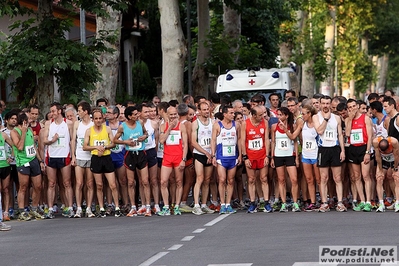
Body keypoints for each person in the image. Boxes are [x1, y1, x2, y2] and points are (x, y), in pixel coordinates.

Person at [83, 108, 121, 218]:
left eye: (100, 118)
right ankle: (102, 207)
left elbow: (113, 143)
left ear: (103, 118)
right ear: (93, 119)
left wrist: (104, 147)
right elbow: (85, 146)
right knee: (99, 185)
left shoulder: (107, 129)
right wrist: (96, 147)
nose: (98, 120)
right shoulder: (89, 131)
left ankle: (117, 207)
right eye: (96, 119)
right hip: (96, 158)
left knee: (112, 184)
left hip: (107, 157)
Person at [114, 106, 152, 217]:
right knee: (131, 182)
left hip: (140, 153)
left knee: (145, 181)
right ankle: (133, 207)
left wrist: (143, 137)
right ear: (129, 116)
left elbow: (146, 133)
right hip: (129, 154)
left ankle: (148, 207)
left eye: (137, 113)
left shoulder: (140, 123)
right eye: (134, 114)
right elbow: (115, 140)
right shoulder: (123, 127)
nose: (137, 115)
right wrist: (125, 142)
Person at [313, 96, 346, 212]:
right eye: (323, 103)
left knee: (337, 177)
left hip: (335, 148)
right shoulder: (316, 117)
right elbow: (319, 131)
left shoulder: (337, 118)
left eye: (328, 103)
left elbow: (340, 135)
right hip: (323, 149)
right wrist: (326, 119)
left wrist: (342, 150)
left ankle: (340, 202)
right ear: (320, 104)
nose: (326, 106)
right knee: (324, 178)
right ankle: (324, 202)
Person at [11, 113, 45, 221]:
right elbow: (20, 147)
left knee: (38, 186)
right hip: (23, 162)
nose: (31, 120)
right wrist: (24, 133)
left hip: (33, 160)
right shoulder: (15, 132)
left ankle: (34, 209)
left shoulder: (30, 130)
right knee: (23, 186)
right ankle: (22, 211)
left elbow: (33, 147)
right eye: (29, 119)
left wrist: (40, 161)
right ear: (24, 121)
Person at [42, 102, 74, 219]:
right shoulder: (48, 123)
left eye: (53, 111)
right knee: (51, 183)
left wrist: (73, 156)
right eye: (51, 111)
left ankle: (70, 207)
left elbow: (72, 140)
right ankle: (50, 208)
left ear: (59, 111)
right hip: (51, 156)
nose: (51, 114)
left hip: (64, 156)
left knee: (67, 183)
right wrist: (52, 140)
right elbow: (44, 140)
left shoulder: (68, 123)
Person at [157, 106, 188, 216]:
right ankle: (166, 206)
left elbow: (185, 144)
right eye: (171, 114)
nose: (173, 116)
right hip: (167, 157)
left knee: (179, 182)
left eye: (175, 114)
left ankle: (177, 206)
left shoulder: (182, 126)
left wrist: (183, 159)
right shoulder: (163, 126)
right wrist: (169, 128)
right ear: (167, 115)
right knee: (163, 181)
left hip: (178, 157)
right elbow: (161, 140)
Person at [211, 105, 242, 214]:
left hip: (232, 157)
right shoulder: (217, 125)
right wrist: (213, 155)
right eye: (231, 113)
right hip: (221, 156)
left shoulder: (236, 125)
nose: (233, 115)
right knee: (222, 180)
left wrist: (240, 155)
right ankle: (222, 204)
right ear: (224, 114)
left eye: (234, 113)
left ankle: (228, 204)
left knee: (231, 180)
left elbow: (239, 140)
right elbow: (213, 140)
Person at [241, 105, 272, 213]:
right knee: (251, 179)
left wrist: (267, 155)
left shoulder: (265, 123)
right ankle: (253, 202)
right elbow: (242, 141)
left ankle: (266, 202)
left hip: (262, 155)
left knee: (264, 178)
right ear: (253, 115)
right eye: (260, 115)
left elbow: (266, 139)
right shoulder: (245, 123)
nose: (262, 116)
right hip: (250, 155)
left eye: (263, 114)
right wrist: (245, 157)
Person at [345, 99, 374, 212]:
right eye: (350, 107)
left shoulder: (365, 118)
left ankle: (368, 201)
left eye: (354, 106)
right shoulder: (348, 119)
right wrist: (350, 119)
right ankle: (361, 200)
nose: (352, 108)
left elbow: (370, 136)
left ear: (357, 106)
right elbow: (347, 134)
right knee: (356, 176)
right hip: (353, 148)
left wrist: (367, 152)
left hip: (363, 148)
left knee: (365, 175)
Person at [270, 107, 300, 212]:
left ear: (286, 116)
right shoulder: (274, 127)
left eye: (281, 115)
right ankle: (283, 203)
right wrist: (272, 157)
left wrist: (296, 157)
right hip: (278, 155)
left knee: (294, 179)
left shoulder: (292, 126)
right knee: (281, 180)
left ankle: (295, 202)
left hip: (289, 155)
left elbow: (294, 140)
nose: (279, 117)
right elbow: (273, 142)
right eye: (278, 115)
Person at [71, 101, 95, 218]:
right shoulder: (77, 124)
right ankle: (79, 208)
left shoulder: (93, 124)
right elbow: (73, 140)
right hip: (79, 155)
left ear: (86, 111)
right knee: (79, 183)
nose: (78, 113)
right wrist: (73, 156)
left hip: (90, 156)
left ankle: (89, 207)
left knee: (90, 183)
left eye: (80, 110)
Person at [191, 102, 215, 215]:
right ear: (199, 111)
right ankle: (196, 204)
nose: (206, 111)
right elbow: (193, 142)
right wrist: (205, 152)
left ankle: (204, 204)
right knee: (200, 178)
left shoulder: (213, 122)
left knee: (207, 180)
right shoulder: (195, 123)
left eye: (207, 109)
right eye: (204, 110)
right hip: (200, 153)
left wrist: (212, 154)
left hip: (210, 154)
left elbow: (215, 139)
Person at [373, 137, 399, 212]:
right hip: (383, 160)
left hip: (394, 159)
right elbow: (377, 156)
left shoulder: (394, 142)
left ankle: (397, 202)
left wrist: (395, 168)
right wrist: (380, 170)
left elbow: (397, 156)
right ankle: (381, 203)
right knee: (379, 178)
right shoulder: (376, 142)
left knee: (396, 178)